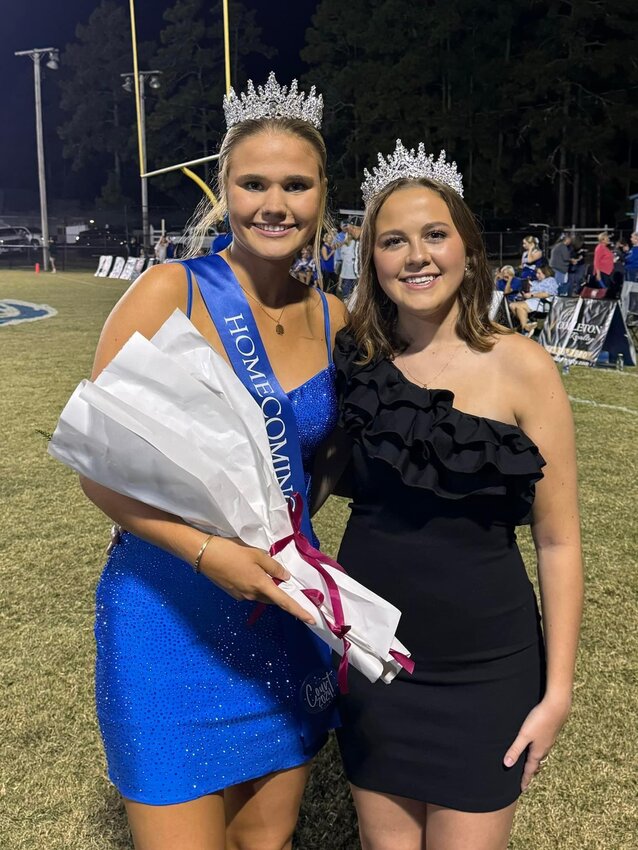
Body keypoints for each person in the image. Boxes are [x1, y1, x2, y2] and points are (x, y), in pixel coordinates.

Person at [77, 74, 347, 850]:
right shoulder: (171, 292)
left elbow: (327, 464)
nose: (275, 203)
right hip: (166, 614)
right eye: (253, 182)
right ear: (222, 189)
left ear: (322, 194)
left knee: (267, 841)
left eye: (296, 185)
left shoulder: (335, 318)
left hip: (280, 614)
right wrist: (205, 550)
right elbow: (97, 464)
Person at [330, 141, 583, 850]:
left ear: (468, 249)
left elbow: (559, 543)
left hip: (486, 671)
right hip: (374, 664)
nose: (417, 255)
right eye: (393, 240)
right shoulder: (355, 361)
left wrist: (557, 692)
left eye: (435, 234)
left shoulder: (523, 367)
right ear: (372, 262)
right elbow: (298, 479)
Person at [509, 263, 558, 336]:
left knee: (519, 306)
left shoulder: (550, 280)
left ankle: (525, 329)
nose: (537, 275)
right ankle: (527, 325)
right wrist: (524, 294)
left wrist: (532, 295)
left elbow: (547, 294)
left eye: (539, 273)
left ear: (546, 273)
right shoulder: (535, 282)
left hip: (542, 302)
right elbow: (529, 293)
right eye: (536, 273)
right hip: (532, 301)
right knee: (512, 305)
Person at [339, 224, 360, 300]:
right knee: (353, 291)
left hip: (348, 272)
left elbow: (342, 257)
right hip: (354, 272)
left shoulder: (344, 245)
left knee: (347, 292)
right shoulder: (356, 243)